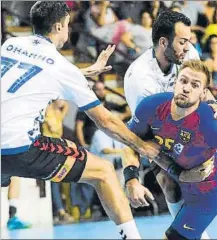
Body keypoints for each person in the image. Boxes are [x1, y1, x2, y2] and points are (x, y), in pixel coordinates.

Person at [1, 2, 159, 239]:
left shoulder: (11, 44)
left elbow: (33, 71)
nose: (68, 30)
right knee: (104, 172)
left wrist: (81, 74)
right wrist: (142, 146)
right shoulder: (63, 68)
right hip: (19, 148)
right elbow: (105, 121)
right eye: (67, 25)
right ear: (58, 26)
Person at [123, 10, 217, 239]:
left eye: (188, 41)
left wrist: (213, 109)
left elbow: (201, 91)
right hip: (163, 131)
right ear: (164, 42)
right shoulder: (140, 80)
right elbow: (142, 135)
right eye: (182, 41)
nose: (187, 47)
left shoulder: (188, 53)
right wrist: (133, 177)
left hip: (197, 109)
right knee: (170, 184)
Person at [125, 60, 217, 239]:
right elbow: (130, 141)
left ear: (203, 93)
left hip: (209, 190)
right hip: (176, 174)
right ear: (175, 82)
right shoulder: (151, 106)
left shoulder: (209, 124)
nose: (186, 88)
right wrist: (132, 180)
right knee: (166, 181)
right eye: (183, 81)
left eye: (195, 85)